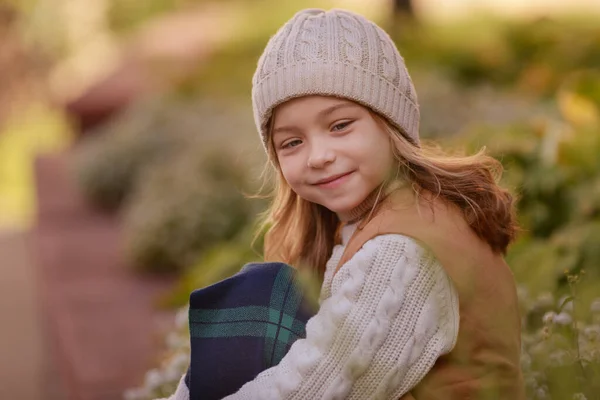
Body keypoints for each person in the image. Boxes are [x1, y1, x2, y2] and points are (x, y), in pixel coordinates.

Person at [164, 8, 525, 399]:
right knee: (258, 296)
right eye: (292, 142)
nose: (318, 155)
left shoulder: (403, 251)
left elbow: (309, 388)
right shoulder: (374, 220)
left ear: (391, 125)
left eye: (339, 126)